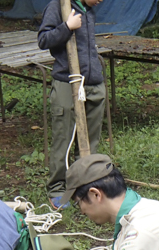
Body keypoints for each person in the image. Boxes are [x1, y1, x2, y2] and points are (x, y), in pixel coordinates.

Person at [38, 0, 106, 209]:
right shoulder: (59, 6)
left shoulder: (89, 10)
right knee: (64, 139)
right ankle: (58, 188)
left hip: (92, 82)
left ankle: (85, 184)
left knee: (90, 142)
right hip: (67, 81)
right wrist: (66, 27)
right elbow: (44, 39)